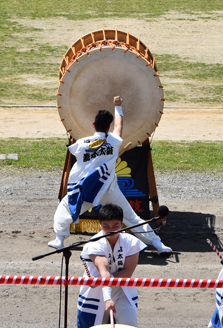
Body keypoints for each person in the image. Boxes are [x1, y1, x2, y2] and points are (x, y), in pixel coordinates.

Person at [49, 96, 172, 254]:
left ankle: (59, 240)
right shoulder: (114, 141)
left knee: (64, 208)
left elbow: (76, 152)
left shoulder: (81, 143)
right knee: (132, 219)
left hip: (87, 190)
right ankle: (158, 244)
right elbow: (119, 125)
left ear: (93, 125)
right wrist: (117, 106)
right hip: (109, 189)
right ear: (108, 128)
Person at [74, 203, 146, 328]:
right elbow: (104, 270)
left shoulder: (131, 242)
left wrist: (104, 284)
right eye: (106, 226)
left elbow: (127, 271)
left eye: (116, 225)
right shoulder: (95, 243)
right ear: (99, 225)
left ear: (122, 224)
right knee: (93, 327)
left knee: (129, 323)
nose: (111, 230)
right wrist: (107, 296)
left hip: (121, 289)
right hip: (96, 290)